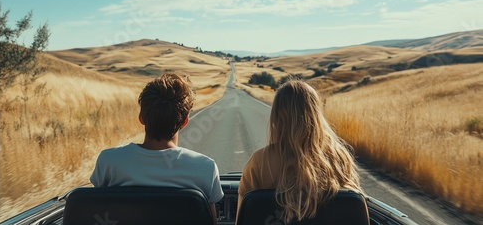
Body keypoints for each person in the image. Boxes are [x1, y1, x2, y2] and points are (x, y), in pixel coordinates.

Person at [90, 73, 223, 223]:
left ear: (141, 118)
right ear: (185, 121)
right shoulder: (206, 168)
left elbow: (97, 209)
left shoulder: (108, 161)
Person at [237, 80, 363, 223]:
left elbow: (243, 220)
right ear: (316, 115)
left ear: (277, 118)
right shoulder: (340, 159)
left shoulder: (259, 162)